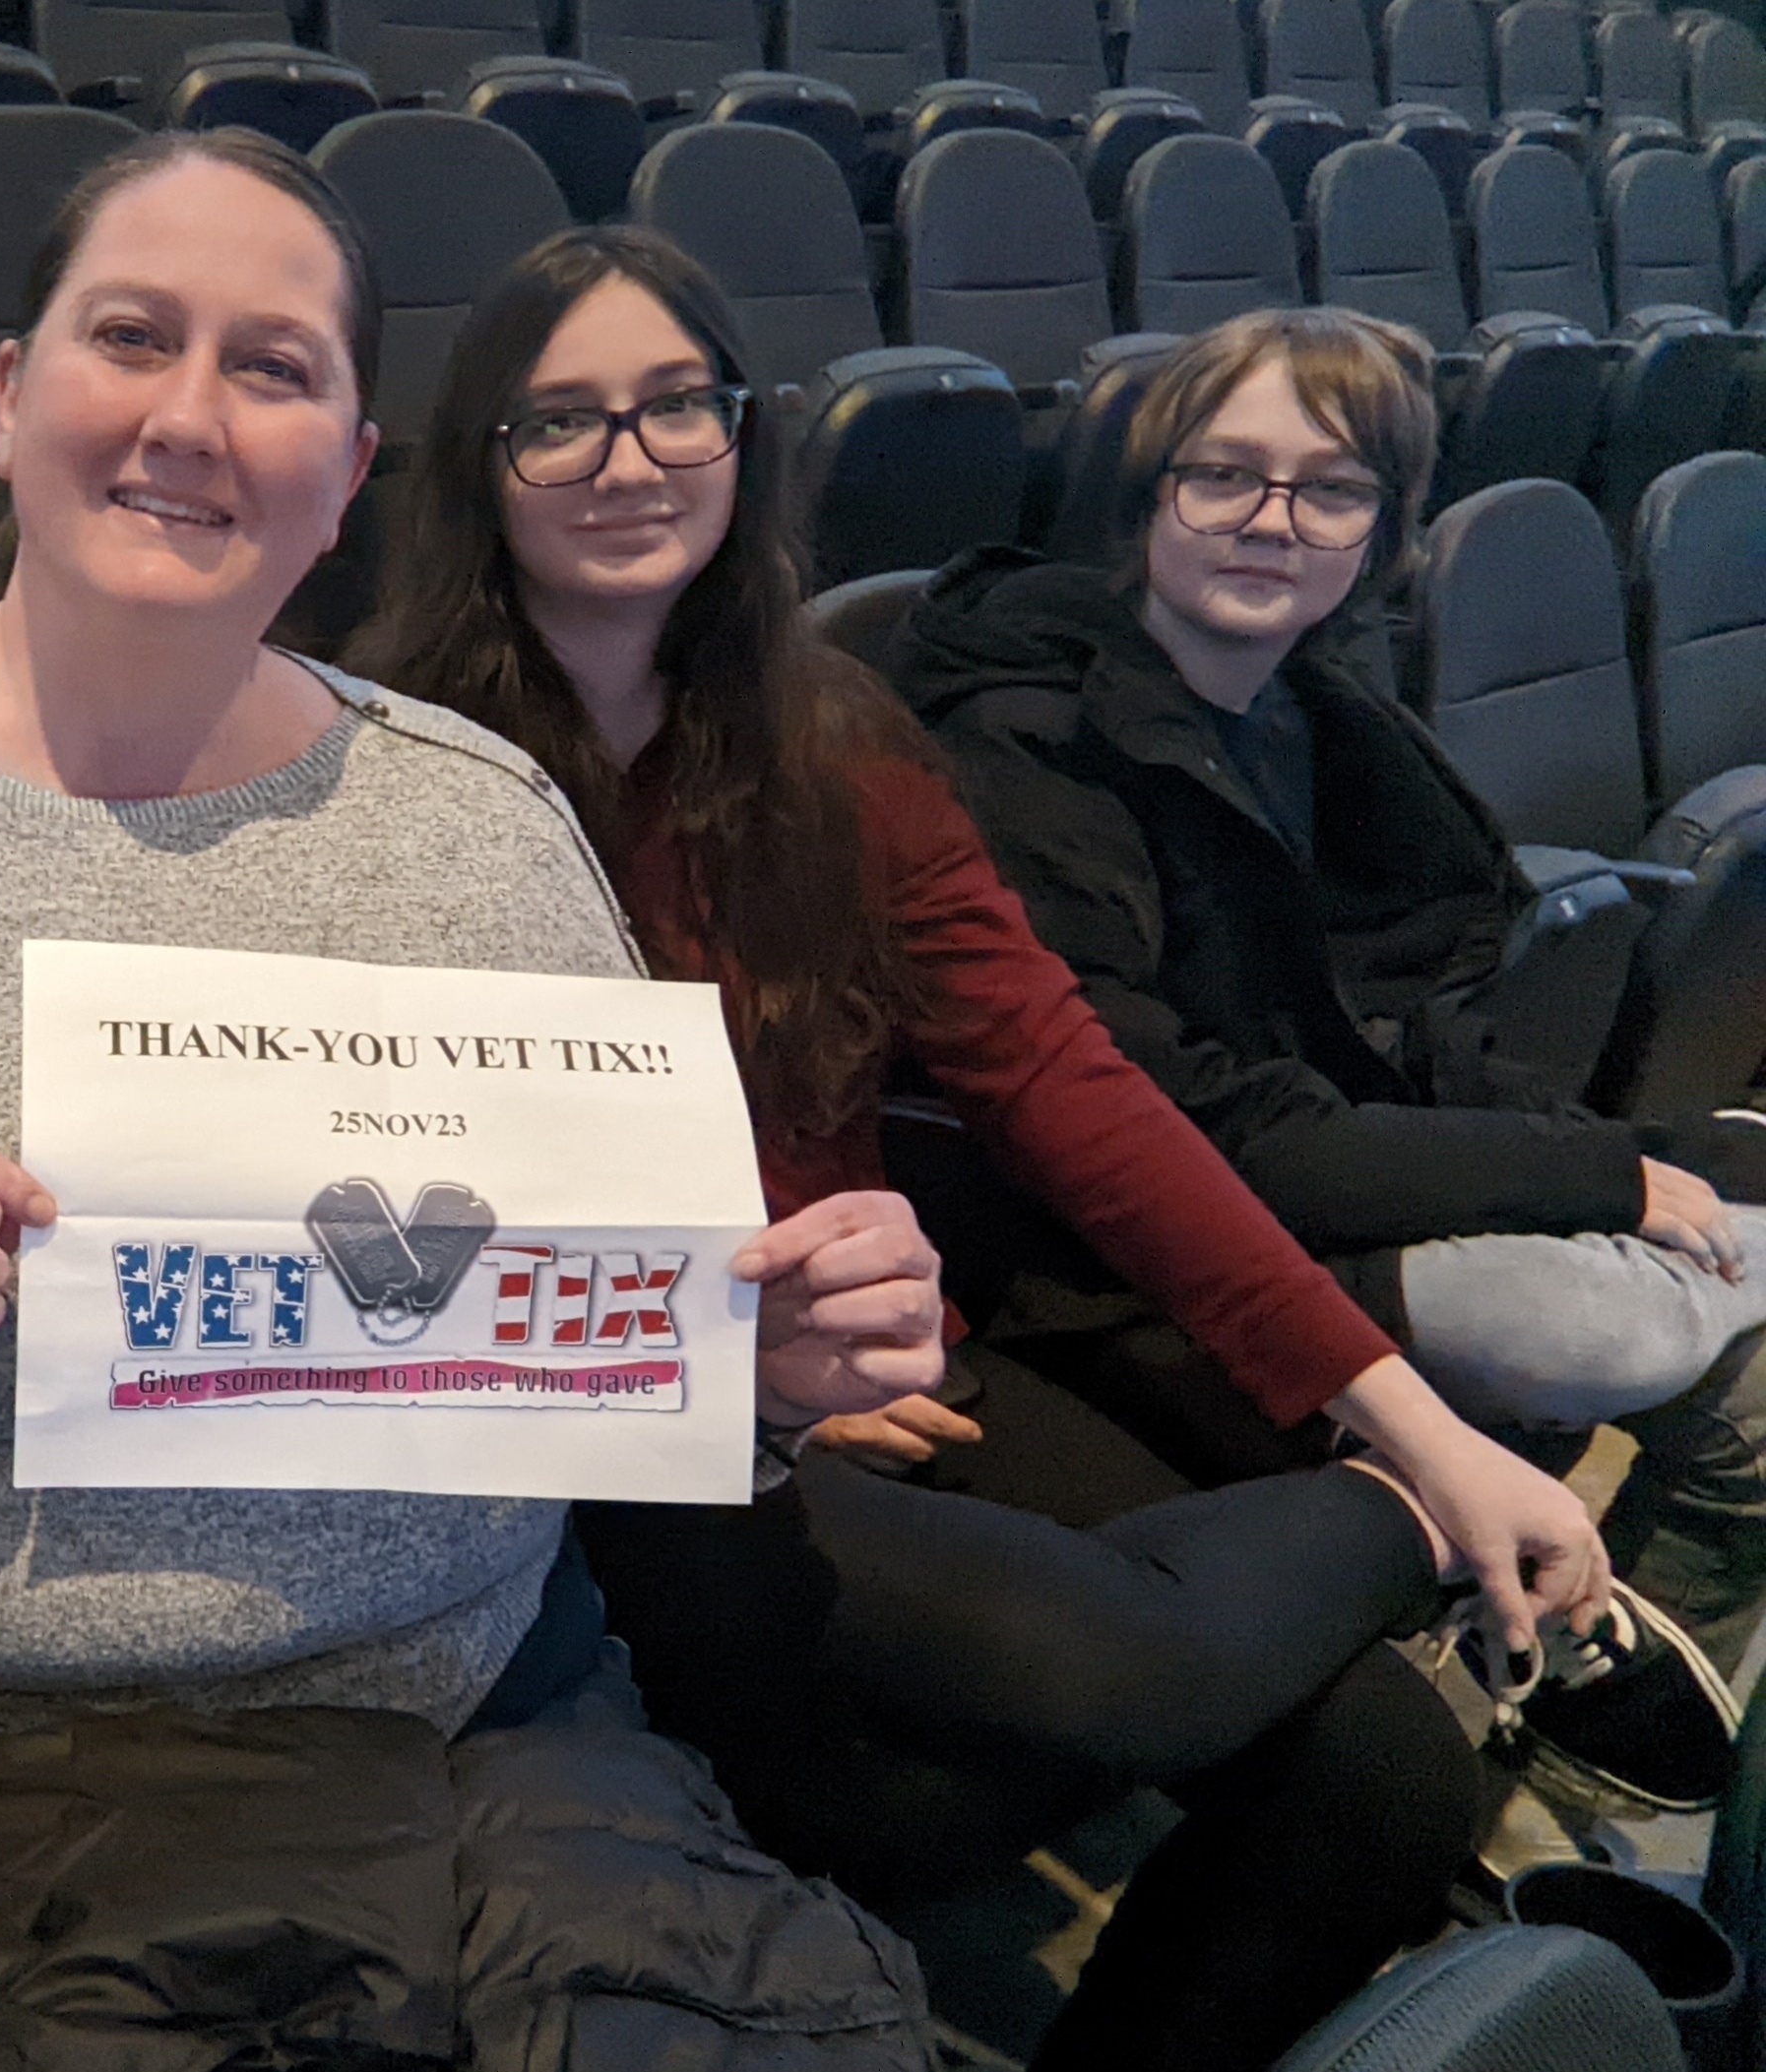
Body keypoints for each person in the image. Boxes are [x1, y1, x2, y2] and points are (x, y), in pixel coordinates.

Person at [0, 130, 939, 2067]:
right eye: (131, 336)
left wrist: (766, 1369)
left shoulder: (479, 824)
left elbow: (625, 1340)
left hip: (497, 1731)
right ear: (6, 398)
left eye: (271, 369)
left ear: (347, 474)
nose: (190, 417)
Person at [349, 228, 1633, 2072]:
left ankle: (1410, 1518)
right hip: (609, 1417)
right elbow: (409, 1184)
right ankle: (1411, 1526)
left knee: (1384, 1765)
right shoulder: (386, 772)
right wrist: (1429, 1473)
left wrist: (1411, 1410)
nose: (629, 460)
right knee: (1050, 1719)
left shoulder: (834, 740)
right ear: (480, 463)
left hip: (876, 1357)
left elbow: (1074, 1093)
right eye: (561, 420)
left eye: (677, 407)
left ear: (743, 437)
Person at [895, 306, 1766, 1664]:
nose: (1272, 521)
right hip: (1138, 1244)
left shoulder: (1316, 711)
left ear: (1381, 527)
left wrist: (1631, 1160)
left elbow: (1403, 1026)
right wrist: (1595, 1176)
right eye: (1224, 474)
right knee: (1622, 1320)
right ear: (1149, 491)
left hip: (1317, 1174)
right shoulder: (1028, 739)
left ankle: (1628, 1669)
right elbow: (1185, 1124)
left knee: (1727, 1291)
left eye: (1332, 489)